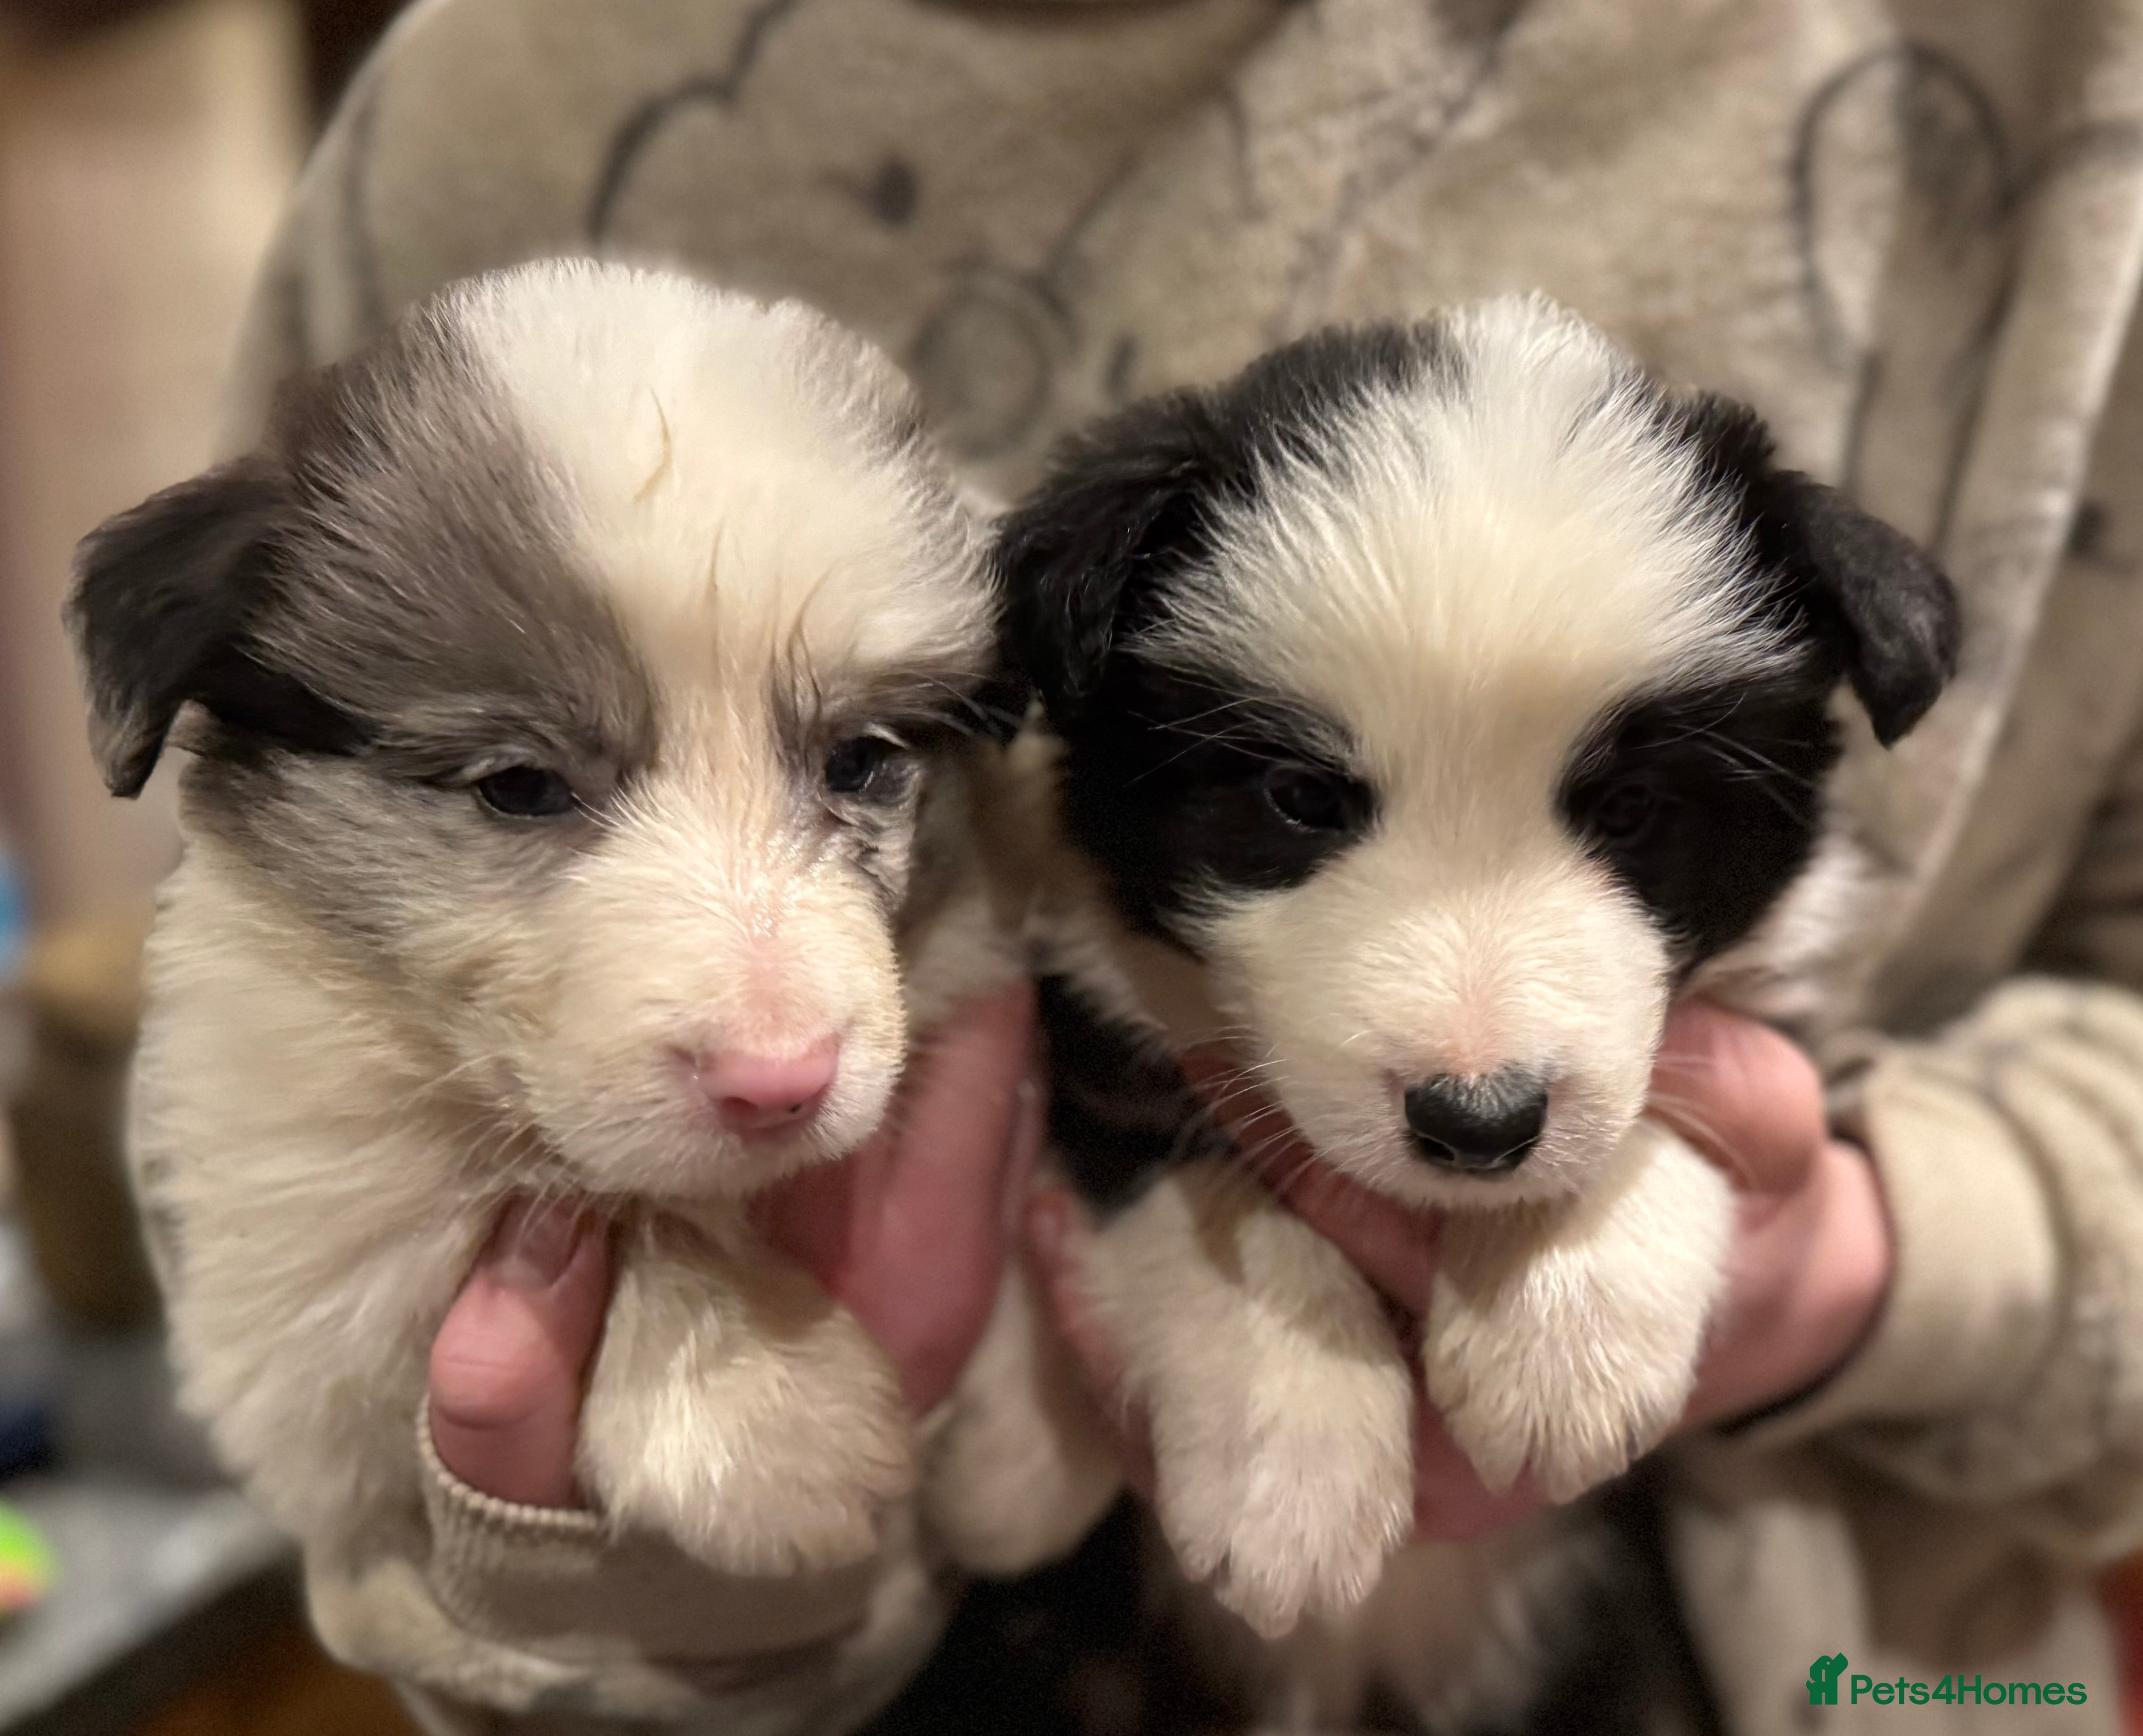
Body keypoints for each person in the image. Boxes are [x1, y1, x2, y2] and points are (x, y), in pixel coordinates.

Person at [219, 1, 2143, 1730]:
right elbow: (286, 1050)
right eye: (1306, 807)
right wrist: (642, 1574)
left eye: (1624, 816)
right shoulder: (478, 110)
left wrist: (1856, 1264)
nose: (1476, 1036)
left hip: (1881, 1671)